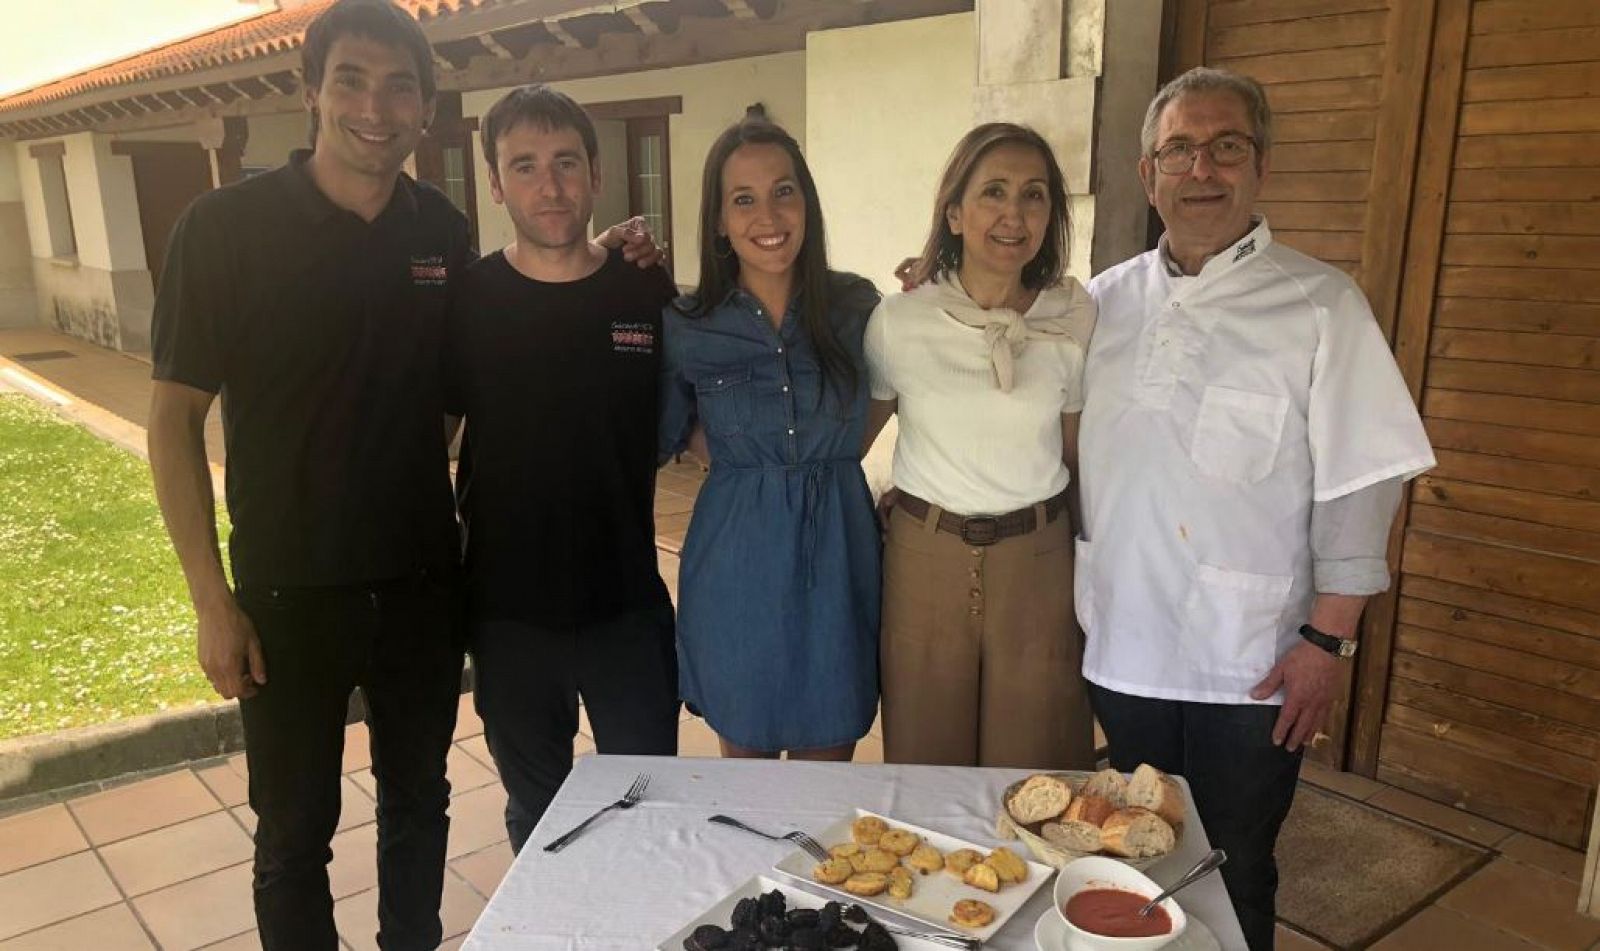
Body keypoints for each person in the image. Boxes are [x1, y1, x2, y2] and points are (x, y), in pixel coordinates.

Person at [147, 3, 659, 944]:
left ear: (427, 110)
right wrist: (211, 600)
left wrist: (627, 254)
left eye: (400, 88)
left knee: (419, 812)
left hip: (424, 584)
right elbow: (172, 418)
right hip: (288, 590)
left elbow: (481, 367)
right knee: (295, 836)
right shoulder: (223, 229)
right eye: (352, 80)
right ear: (312, 90)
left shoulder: (440, 231)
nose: (375, 107)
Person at [1076, 67, 1435, 951]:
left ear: (1261, 166)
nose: (1203, 168)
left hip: (1254, 663)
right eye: (1180, 149)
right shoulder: (1100, 303)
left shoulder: (1321, 304)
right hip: (1123, 646)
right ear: (1146, 172)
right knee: (1132, 859)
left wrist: (1327, 641)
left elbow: (1363, 483)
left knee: (1233, 867)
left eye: (1226, 146)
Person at [444, 85, 680, 852]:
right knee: (540, 820)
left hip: (626, 606)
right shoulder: (468, 299)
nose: (549, 186)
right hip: (509, 614)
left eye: (565, 163)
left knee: (647, 807)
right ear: (495, 182)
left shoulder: (643, 287)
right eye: (525, 166)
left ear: (596, 172)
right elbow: (430, 434)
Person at [863, 122, 1097, 770]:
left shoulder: (1072, 319)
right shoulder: (900, 319)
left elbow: (1077, 461)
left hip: (1039, 564)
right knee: (926, 764)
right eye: (993, 192)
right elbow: (850, 439)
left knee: (1035, 769)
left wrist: (1093, 569)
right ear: (955, 212)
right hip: (925, 561)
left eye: (1035, 195)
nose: (1014, 214)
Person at [659, 117, 882, 760]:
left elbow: (905, 390)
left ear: (807, 202)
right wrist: (744, 460)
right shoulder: (688, 324)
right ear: (720, 221)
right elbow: (668, 429)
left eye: (784, 191)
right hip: (737, 563)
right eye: (743, 199)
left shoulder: (857, 308)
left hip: (839, 553)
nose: (768, 214)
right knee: (748, 784)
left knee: (826, 786)